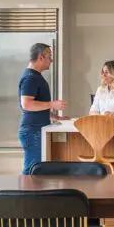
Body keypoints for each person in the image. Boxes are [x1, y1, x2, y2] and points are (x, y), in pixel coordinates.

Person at [17, 42, 65, 175]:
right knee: (31, 171)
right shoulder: (30, 78)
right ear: (41, 57)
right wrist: (52, 104)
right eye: (49, 56)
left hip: (36, 131)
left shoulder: (35, 77)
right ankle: (24, 195)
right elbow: (27, 104)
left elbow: (37, 105)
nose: (52, 60)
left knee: (36, 170)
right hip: (32, 132)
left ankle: (32, 194)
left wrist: (57, 117)